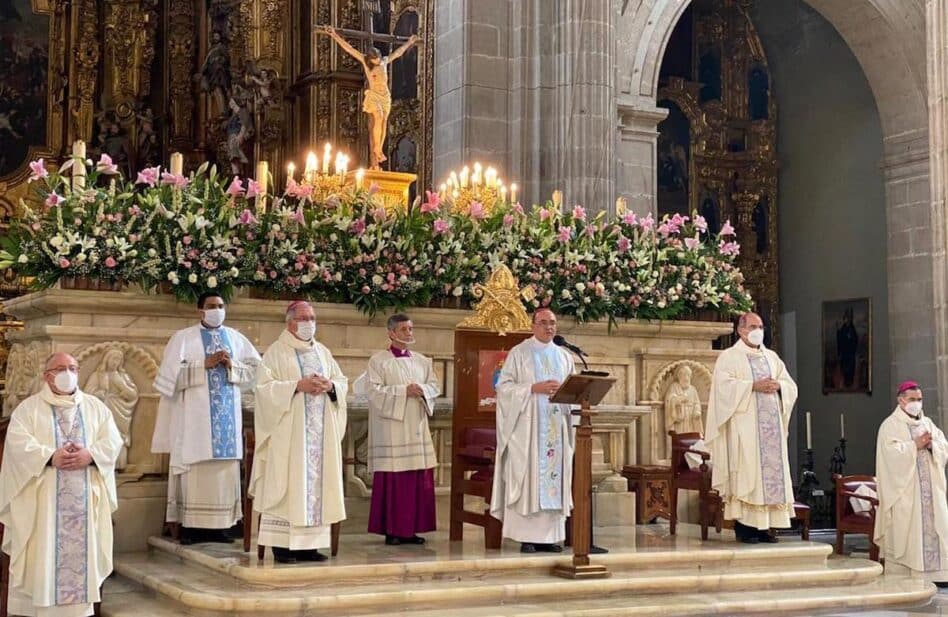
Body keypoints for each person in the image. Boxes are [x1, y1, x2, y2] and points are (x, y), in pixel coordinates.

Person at [0, 352, 122, 617]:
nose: (68, 373)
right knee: (42, 557)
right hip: (43, 504)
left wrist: (90, 455)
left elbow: (112, 442)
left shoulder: (95, 407)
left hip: (84, 500)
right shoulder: (28, 409)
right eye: (60, 368)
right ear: (47, 376)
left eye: (73, 368)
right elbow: (17, 446)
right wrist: (49, 456)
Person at [151, 292, 260, 545]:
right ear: (200, 310)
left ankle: (222, 527)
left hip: (227, 423)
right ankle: (192, 529)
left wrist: (232, 364)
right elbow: (167, 379)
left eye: (221, 306)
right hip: (194, 422)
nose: (217, 310)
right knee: (196, 472)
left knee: (223, 474)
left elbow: (257, 371)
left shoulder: (236, 338)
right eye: (211, 306)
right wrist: (204, 365)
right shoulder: (183, 338)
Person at [251, 301, 348, 564]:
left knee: (315, 486)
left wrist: (330, 386)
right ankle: (283, 547)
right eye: (304, 318)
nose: (309, 323)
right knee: (289, 483)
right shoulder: (276, 352)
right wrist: (297, 385)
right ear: (290, 322)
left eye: (312, 318)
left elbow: (342, 381)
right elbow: (263, 389)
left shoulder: (323, 352)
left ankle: (309, 547)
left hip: (319, 438)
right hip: (289, 438)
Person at [704, 312, 798, 544]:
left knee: (769, 477)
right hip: (744, 430)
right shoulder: (729, 357)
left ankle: (766, 528)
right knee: (747, 475)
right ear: (741, 330)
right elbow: (722, 390)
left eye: (761, 326)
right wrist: (752, 386)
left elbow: (790, 385)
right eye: (754, 326)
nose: (759, 330)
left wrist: (779, 386)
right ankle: (745, 528)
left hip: (771, 435)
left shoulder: (772, 357)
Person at [490, 308, 575, 553]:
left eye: (553, 323)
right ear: (532, 326)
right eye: (544, 323)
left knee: (553, 477)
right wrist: (532, 388)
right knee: (530, 476)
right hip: (527, 429)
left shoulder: (564, 356)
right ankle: (526, 536)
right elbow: (503, 388)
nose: (549, 327)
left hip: (555, 428)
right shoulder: (520, 353)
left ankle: (549, 538)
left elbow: (575, 387)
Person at [366, 313, 440, 545]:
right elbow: (374, 392)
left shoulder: (422, 360)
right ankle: (392, 530)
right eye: (404, 330)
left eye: (410, 329)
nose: (409, 333)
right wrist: (402, 391)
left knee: (417, 479)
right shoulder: (378, 361)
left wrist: (424, 390)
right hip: (392, 429)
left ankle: (412, 529)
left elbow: (434, 386)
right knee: (395, 480)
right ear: (391, 333)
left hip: (416, 427)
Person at [874, 381, 948, 584]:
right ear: (901, 400)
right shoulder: (890, 425)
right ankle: (906, 573)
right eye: (912, 399)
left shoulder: (928, 423)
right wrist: (914, 445)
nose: (917, 403)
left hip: (931, 491)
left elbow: (944, 446)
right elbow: (889, 456)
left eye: (919, 399)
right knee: (907, 532)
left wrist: (933, 445)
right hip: (906, 492)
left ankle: (936, 574)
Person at [319, 25, 419, 169]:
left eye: (378, 59)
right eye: (375, 60)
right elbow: (349, 49)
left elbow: (398, 53)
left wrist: (409, 42)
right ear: (370, 59)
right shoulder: (366, 63)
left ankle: (378, 149)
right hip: (374, 95)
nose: (378, 61)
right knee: (378, 117)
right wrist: (334, 35)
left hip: (385, 96)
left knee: (384, 121)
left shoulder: (384, 61)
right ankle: (376, 150)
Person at [84, 347, 139, 470]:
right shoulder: (97, 375)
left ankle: (119, 465)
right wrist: (97, 394)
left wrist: (121, 385)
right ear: (107, 359)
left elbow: (133, 394)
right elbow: (86, 394)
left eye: (119, 360)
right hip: (102, 409)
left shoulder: (123, 376)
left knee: (119, 437)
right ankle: (99, 462)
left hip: (120, 411)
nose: (116, 362)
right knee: (103, 435)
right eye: (114, 359)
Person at [664, 364, 703, 435]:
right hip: (679, 419)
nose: (686, 378)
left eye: (688, 375)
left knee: (690, 437)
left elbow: (697, 403)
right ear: (679, 376)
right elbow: (669, 400)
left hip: (690, 418)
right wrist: (679, 399)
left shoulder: (693, 389)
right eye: (684, 375)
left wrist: (697, 411)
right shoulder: (674, 387)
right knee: (679, 436)